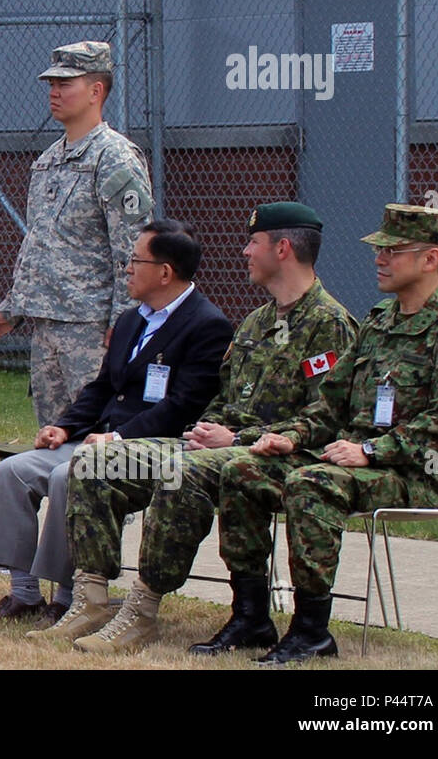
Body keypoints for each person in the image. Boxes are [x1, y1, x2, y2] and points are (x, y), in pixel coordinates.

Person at [61, 202, 357, 654]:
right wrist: (209, 427)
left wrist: (237, 439)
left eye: (253, 243)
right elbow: (224, 397)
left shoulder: (329, 324)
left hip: (276, 454)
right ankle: (91, 599)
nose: (244, 252)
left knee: (182, 472)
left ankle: (142, 611)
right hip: (218, 444)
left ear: (282, 249)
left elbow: (327, 417)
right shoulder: (257, 322)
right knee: (95, 460)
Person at [212, 203, 438, 664]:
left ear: (431, 259)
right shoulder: (377, 323)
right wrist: (292, 438)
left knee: (311, 483)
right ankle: (251, 615)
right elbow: (329, 402)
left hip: (415, 472)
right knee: (242, 471)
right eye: (380, 250)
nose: (379, 259)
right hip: (352, 458)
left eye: (393, 251)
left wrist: (371, 450)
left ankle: (312, 630)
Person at [0, 220, 232, 627]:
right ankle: (24, 594)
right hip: (98, 439)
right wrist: (64, 427)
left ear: (165, 272)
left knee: (68, 475)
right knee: (12, 471)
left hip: (151, 447)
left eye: (135, 260)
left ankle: (68, 596)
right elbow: (102, 388)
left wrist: (117, 437)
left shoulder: (207, 326)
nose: (126, 269)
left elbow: (183, 407)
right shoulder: (132, 320)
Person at [0, 40, 152, 440]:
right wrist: (13, 310)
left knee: (97, 440)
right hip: (47, 328)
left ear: (96, 91)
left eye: (65, 83)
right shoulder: (48, 160)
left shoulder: (115, 158)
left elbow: (133, 251)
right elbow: (40, 248)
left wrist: (123, 325)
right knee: (53, 438)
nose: (54, 93)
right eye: (51, 84)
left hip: (92, 329)